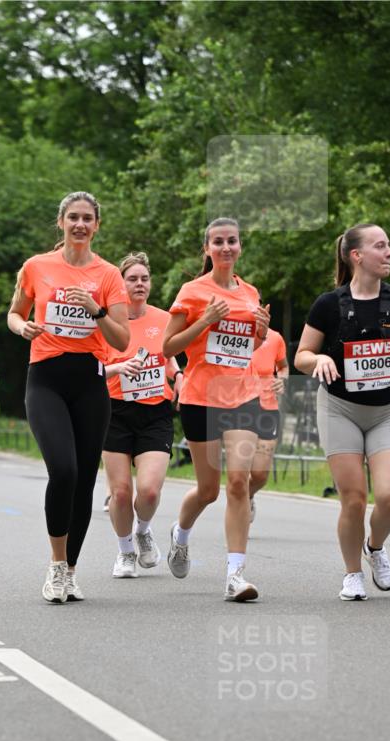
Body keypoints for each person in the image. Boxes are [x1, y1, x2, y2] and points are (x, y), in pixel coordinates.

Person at [7, 191, 129, 603]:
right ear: (60, 222)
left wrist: (96, 310)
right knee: (64, 470)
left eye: (87, 219)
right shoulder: (37, 266)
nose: (80, 224)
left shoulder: (109, 274)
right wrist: (21, 327)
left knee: (85, 481)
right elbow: (14, 312)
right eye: (72, 217)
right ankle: (56, 566)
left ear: (97, 226)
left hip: (90, 382)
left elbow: (122, 337)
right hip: (45, 379)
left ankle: (71, 571)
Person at [163, 217, 270, 602]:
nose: (226, 247)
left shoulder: (251, 292)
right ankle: (181, 534)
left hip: (242, 395)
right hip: (200, 399)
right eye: (219, 242)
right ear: (207, 249)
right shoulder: (193, 291)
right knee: (208, 491)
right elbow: (168, 347)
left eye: (233, 241)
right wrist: (205, 321)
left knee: (238, 483)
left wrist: (259, 333)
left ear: (240, 247)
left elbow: (247, 351)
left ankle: (235, 574)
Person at [295, 223, 390, 600]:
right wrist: (318, 358)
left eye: (388, 246)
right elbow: (301, 356)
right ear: (357, 256)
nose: (389, 252)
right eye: (381, 246)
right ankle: (352, 572)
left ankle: (374, 547)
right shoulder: (328, 304)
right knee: (354, 498)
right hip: (340, 409)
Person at [102, 251, 181, 578]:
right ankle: (124, 553)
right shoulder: (107, 321)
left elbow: (171, 361)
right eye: (132, 279)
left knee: (148, 490)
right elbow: (93, 370)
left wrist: (180, 378)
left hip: (155, 412)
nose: (139, 284)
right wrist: (119, 367)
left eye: (144, 279)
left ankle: (143, 530)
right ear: (121, 284)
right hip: (115, 412)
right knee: (121, 493)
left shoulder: (164, 320)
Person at [248, 328, 289, 522]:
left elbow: (283, 367)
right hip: (236, 407)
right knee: (240, 468)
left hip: (267, 408)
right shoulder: (232, 332)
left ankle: (247, 495)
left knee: (260, 474)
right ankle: (238, 503)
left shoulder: (275, 338)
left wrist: (282, 379)